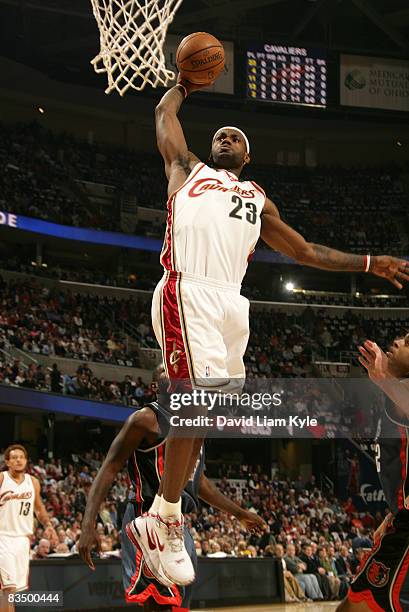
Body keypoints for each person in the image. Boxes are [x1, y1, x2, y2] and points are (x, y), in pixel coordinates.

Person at [127, 74, 409, 587]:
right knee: (195, 401)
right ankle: (162, 518)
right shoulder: (186, 170)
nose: (226, 139)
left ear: (248, 156)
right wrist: (183, 86)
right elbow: (164, 119)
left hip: (233, 305)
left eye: (236, 137)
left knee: (207, 410)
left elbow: (304, 252)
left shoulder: (258, 198)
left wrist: (371, 263)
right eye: (220, 136)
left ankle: (162, 515)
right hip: (188, 288)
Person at [79, 367, 266, 611]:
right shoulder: (145, 420)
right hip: (145, 516)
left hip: (176, 523)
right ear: (157, 386)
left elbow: (198, 482)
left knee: (179, 604)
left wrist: (240, 513)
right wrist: (88, 523)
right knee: (158, 603)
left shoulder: (194, 423)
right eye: (169, 372)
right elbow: (109, 468)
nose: (178, 376)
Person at [337, 334, 409, 611]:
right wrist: (394, 510)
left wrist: (383, 379)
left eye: (407, 342)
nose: (397, 342)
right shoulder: (395, 392)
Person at [0, 445, 54, 612]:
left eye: (21, 457)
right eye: (14, 457)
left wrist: (48, 524)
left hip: (23, 540)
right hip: (3, 538)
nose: (18, 460)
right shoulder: (1, 479)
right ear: (7, 462)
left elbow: (38, 508)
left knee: (10, 591)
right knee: (8, 590)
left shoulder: (33, 482)